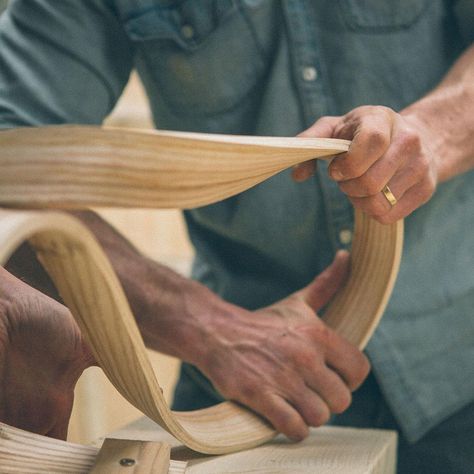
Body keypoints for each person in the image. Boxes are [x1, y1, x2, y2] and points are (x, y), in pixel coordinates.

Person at [0, 1, 473, 472]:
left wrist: (431, 133)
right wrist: (207, 326)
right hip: (235, 379)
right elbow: (10, 158)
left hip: (455, 367)